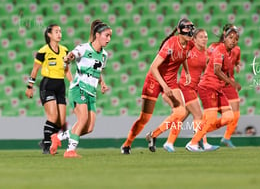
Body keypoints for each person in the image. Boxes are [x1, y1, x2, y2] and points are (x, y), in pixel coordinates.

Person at [121, 18, 195, 154]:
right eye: (186, 29)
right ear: (179, 30)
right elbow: (154, 67)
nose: (189, 32)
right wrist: (164, 87)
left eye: (191, 29)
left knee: (180, 112)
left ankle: (153, 135)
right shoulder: (171, 44)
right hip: (154, 80)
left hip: (171, 81)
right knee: (145, 118)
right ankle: (127, 144)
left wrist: (187, 72)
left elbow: (183, 56)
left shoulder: (190, 44)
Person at [50, 20, 111, 158]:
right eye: (106, 35)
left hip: (92, 92)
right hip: (79, 88)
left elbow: (98, 70)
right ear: (97, 35)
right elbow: (72, 55)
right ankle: (70, 151)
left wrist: (102, 83)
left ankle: (58, 138)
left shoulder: (104, 55)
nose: (108, 39)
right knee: (82, 119)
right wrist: (68, 58)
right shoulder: (84, 48)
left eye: (110, 36)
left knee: (89, 128)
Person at [185, 25, 241, 152]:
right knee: (210, 119)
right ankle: (193, 143)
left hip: (218, 89)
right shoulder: (219, 50)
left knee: (229, 117)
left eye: (236, 39)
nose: (233, 40)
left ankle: (199, 134)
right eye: (230, 38)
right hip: (208, 87)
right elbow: (216, 70)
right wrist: (232, 83)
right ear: (224, 38)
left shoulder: (230, 53)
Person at [162, 28, 219, 152]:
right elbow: (177, 60)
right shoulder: (188, 49)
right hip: (186, 86)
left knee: (182, 117)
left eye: (206, 37)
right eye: (201, 37)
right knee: (199, 114)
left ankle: (169, 142)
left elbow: (205, 69)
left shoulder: (205, 52)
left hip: (195, 87)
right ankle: (197, 143)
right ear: (194, 39)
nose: (204, 39)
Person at [25, 24, 72, 154]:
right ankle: (46, 144)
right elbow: (35, 70)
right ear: (49, 35)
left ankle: (46, 139)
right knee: (53, 116)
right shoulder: (43, 51)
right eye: (56, 32)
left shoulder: (65, 50)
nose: (59, 34)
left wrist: (73, 83)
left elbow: (67, 69)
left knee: (61, 121)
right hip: (48, 85)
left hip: (60, 85)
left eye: (60, 31)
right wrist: (30, 87)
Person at [219, 24, 241, 148]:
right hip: (216, 83)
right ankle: (201, 135)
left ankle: (226, 137)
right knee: (210, 114)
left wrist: (237, 65)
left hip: (229, 84)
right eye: (230, 34)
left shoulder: (237, 49)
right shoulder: (215, 48)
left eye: (235, 35)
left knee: (236, 113)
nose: (233, 39)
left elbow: (236, 60)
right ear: (224, 34)